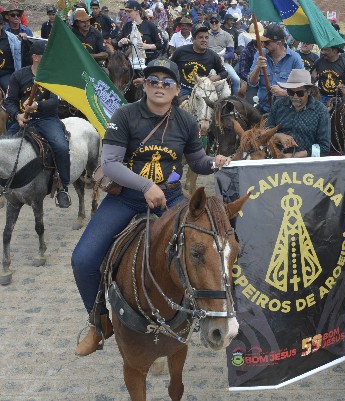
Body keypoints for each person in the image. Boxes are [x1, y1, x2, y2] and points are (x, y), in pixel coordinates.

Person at [70, 58, 233, 356]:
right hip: (126, 198)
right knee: (83, 259)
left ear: (176, 90)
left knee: (211, 248)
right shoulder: (125, 115)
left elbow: (196, 161)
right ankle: (99, 323)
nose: (159, 86)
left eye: (166, 82)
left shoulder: (184, 121)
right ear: (144, 86)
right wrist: (145, 186)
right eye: (153, 81)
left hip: (170, 198)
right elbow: (110, 164)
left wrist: (214, 162)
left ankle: (209, 312)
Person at [4, 41, 71, 208]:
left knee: (61, 147)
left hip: (46, 120)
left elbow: (54, 102)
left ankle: (63, 186)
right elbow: (10, 101)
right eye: (45, 56)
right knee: (2, 148)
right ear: (35, 57)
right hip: (23, 120)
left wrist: (37, 106)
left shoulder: (51, 76)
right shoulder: (18, 76)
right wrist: (17, 115)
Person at [266, 69, 330, 157]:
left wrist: (294, 156)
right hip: (277, 159)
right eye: (291, 92)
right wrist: (278, 136)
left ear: (308, 91)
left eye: (300, 93)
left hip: (307, 165)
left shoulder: (321, 111)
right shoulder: (278, 105)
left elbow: (324, 147)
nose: (295, 97)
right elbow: (265, 133)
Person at [248, 24, 303, 113]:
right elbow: (252, 82)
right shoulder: (260, 54)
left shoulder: (295, 59)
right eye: (262, 42)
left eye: (267, 42)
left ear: (279, 43)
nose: (263, 45)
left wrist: (285, 93)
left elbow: (302, 88)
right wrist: (258, 67)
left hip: (287, 110)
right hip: (263, 108)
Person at [170, 24, 228, 96]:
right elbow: (170, 67)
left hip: (202, 90)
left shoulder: (212, 56)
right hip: (182, 89)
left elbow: (224, 72)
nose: (204, 40)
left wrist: (216, 77)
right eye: (200, 37)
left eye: (206, 37)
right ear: (193, 39)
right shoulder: (181, 51)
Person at [117, 0, 163, 67]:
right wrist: (121, 42)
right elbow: (117, 42)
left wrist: (147, 46)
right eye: (126, 11)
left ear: (137, 11)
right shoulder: (127, 26)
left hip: (148, 60)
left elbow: (160, 44)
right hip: (129, 61)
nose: (127, 14)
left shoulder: (150, 25)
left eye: (129, 11)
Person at [207, 13, 240, 94]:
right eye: (212, 22)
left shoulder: (227, 35)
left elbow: (231, 53)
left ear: (220, 22)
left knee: (236, 80)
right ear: (209, 23)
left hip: (223, 63)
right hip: (207, 62)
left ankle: (235, 100)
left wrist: (223, 57)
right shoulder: (205, 34)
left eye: (216, 22)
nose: (214, 23)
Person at [0, 14, 21, 93]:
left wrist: (24, 41)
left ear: (2, 25)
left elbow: (22, 52)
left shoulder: (11, 38)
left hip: (6, 74)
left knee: (12, 91)